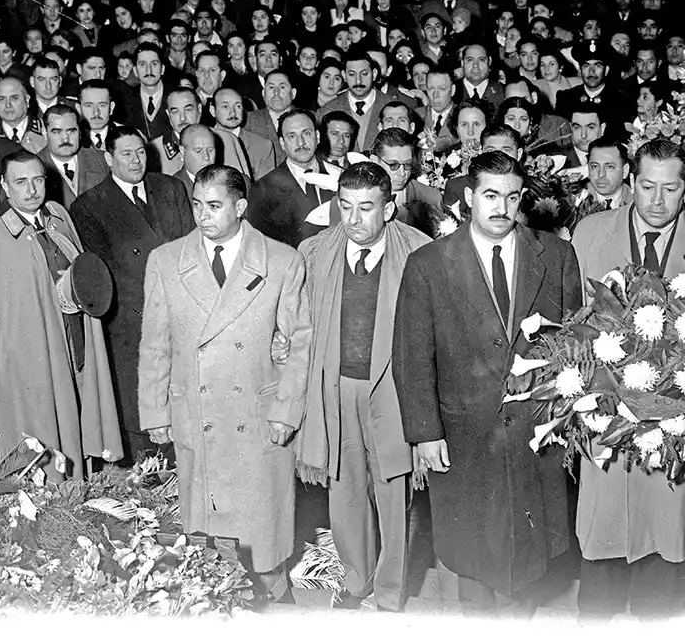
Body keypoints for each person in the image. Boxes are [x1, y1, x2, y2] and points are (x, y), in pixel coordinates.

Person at [392, 151, 581, 612]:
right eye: (491, 196)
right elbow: (412, 356)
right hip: (464, 432)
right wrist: (425, 433)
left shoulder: (555, 255)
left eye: (513, 197)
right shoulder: (429, 263)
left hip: (536, 431)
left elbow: (577, 342)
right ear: (470, 198)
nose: (502, 208)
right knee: (473, 553)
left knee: (528, 555)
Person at [569, 137, 685, 618]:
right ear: (630, 182)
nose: (657, 201)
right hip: (605, 410)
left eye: (670, 188)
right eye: (646, 186)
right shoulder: (589, 233)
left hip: (674, 416)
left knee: (663, 532)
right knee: (602, 533)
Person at [139, 164, 312, 603]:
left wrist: (287, 411)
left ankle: (275, 594)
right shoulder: (165, 261)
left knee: (263, 531)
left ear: (240, 206)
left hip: (257, 414)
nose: (203, 216)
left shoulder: (282, 261)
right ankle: (213, 599)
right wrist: (155, 412)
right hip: (197, 414)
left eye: (214, 206)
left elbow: (300, 344)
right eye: (197, 205)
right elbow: (155, 344)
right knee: (207, 532)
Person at [295, 162, 432, 612]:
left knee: (394, 492)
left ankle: (391, 592)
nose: (353, 220)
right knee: (345, 491)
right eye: (345, 206)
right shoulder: (315, 251)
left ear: (389, 208)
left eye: (367, 208)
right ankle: (355, 582)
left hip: (393, 388)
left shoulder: (420, 252)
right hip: (337, 387)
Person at [0, 150, 123, 478]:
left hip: (72, 345)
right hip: (25, 362)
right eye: (21, 182)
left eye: (38, 180)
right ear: (5, 186)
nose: (32, 189)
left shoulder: (56, 219)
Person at [71, 126, 194, 465]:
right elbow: (105, 274)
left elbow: (191, 247)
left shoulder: (170, 188)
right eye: (126, 154)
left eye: (140, 151)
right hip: (131, 324)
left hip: (181, 316)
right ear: (109, 158)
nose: (136, 159)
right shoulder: (90, 206)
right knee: (141, 416)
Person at [244, 109, 337, 248]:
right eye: (292, 136)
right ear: (282, 143)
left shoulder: (340, 177)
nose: (301, 143)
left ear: (317, 136)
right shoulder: (263, 190)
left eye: (306, 133)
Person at [317, 43, 399, 153]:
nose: (358, 81)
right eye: (352, 74)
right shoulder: (326, 112)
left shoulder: (393, 108)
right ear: (344, 76)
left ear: (374, 74)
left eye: (364, 74)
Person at [38, 104, 109, 207]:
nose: (65, 139)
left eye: (71, 131)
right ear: (44, 133)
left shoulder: (102, 160)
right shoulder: (34, 167)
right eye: (57, 132)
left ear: (80, 132)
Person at [212, 86, 276, 184]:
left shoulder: (263, 146)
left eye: (238, 106)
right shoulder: (202, 141)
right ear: (213, 110)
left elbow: (266, 189)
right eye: (225, 106)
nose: (233, 112)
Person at [0, 76, 48, 153]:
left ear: (27, 100)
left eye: (14, 98)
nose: (8, 105)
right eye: (1, 99)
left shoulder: (45, 130)